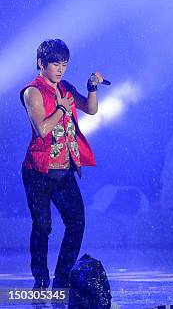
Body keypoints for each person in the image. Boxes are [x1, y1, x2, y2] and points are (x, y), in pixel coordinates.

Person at [20, 39, 105, 289]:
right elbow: (43, 129)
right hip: (39, 172)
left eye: (64, 64)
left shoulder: (65, 87)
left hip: (64, 170)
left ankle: (63, 278)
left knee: (77, 222)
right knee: (43, 226)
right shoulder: (32, 92)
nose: (60, 69)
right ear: (41, 63)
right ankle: (40, 279)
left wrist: (92, 88)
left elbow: (90, 109)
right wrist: (61, 108)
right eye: (55, 64)